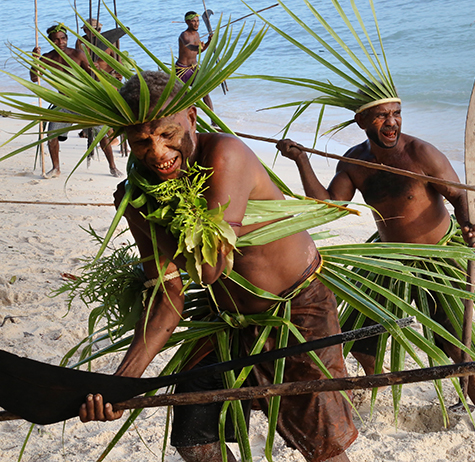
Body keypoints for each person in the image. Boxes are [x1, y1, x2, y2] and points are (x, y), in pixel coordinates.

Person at [77, 71, 357, 462]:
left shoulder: (225, 156)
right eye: (141, 141)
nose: (157, 153)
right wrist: (122, 384)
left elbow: (212, 269)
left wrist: (160, 218)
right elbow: (167, 295)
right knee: (194, 440)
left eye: (167, 134)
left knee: (320, 446)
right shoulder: (136, 195)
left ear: (192, 117)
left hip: (298, 309)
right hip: (225, 317)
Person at [277, 99, 475, 439]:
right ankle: (378, 384)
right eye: (382, 115)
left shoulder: (421, 153)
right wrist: (302, 161)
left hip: (436, 258)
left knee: (456, 339)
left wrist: (472, 225)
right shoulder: (355, 161)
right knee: (361, 333)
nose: (391, 122)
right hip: (388, 258)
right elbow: (332, 205)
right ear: (362, 122)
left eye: (396, 114)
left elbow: (459, 197)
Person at [29, 23, 123, 178]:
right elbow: (34, 78)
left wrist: (105, 75)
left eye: (63, 38)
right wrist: (34, 61)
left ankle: (113, 167)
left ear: (67, 38)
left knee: (102, 135)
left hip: (84, 100)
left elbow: (93, 75)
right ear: (51, 41)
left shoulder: (78, 54)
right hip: (64, 102)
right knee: (51, 134)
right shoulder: (47, 58)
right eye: (57, 40)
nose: (61, 42)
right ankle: (56, 168)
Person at [177, 11, 214, 111]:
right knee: (182, 97)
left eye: (198, 21)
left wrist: (208, 42)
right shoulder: (184, 35)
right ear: (187, 22)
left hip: (194, 69)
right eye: (193, 21)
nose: (197, 23)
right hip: (182, 70)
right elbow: (190, 47)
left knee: (204, 92)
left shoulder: (197, 34)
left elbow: (199, 51)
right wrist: (198, 46)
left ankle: (214, 122)